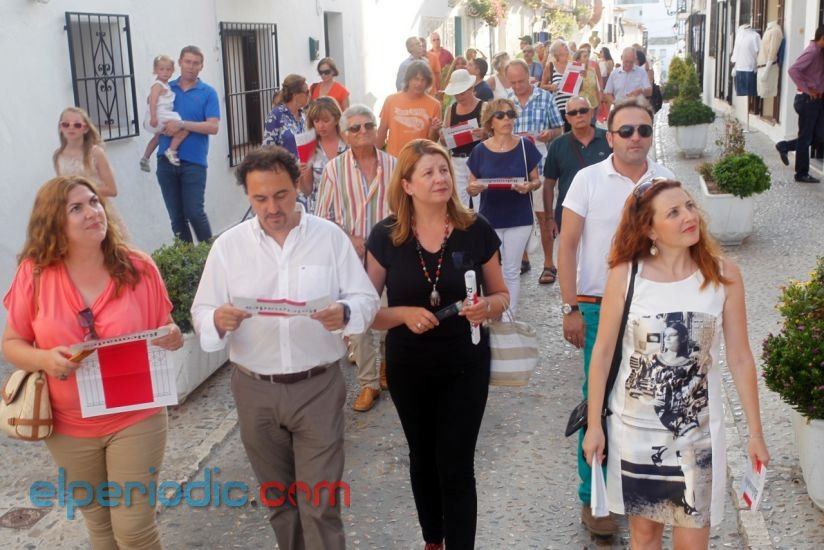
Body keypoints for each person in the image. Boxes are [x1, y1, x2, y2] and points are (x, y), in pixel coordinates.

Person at [191, 145, 379, 550]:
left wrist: (345, 311)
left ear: (298, 185)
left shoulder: (329, 238)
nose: (272, 208)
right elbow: (202, 311)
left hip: (318, 388)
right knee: (280, 504)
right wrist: (216, 320)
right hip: (254, 389)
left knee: (320, 505)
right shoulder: (229, 246)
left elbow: (365, 299)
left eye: (281, 195)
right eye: (260, 198)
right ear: (248, 196)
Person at [582, 178, 770, 547]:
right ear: (649, 230)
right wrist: (594, 427)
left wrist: (756, 433)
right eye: (673, 212)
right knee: (644, 536)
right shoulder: (626, 276)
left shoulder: (723, 275)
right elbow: (602, 354)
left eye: (689, 206)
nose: (689, 216)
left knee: (693, 540)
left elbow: (740, 357)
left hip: (698, 436)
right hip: (636, 432)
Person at [2, 175, 183, 549]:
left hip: (136, 416)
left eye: (94, 202)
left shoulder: (138, 267)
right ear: (54, 221)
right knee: (100, 526)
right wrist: (44, 358)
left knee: (134, 530)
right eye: (76, 208)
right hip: (69, 425)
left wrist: (173, 335)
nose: (92, 212)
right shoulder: (35, 274)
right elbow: (12, 344)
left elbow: (165, 327)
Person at [365, 139, 509, 550]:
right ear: (407, 185)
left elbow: (501, 295)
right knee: (422, 457)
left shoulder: (475, 230)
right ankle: (433, 540)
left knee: (457, 463)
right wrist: (403, 314)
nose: (440, 178)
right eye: (427, 172)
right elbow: (367, 311)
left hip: (466, 364)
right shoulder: (386, 236)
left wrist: (487, 307)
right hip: (409, 367)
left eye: (443, 170)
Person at [557, 96, 673, 536]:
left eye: (644, 130)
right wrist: (570, 306)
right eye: (626, 131)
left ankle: (643, 490)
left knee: (649, 401)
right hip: (596, 304)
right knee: (599, 400)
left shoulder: (666, 180)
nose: (635, 138)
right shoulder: (587, 180)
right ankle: (595, 498)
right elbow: (567, 245)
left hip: (652, 308)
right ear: (611, 137)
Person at [315, 104, 396, 412]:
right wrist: (349, 239)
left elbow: (405, 209)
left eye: (368, 125)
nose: (363, 131)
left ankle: (387, 365)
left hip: (389, 255)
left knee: (388, 314)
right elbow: (322, 218)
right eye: (355, 128)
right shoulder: (334, 170)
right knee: (357, 319)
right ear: (345, 135)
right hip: (352, 259)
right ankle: (368, 383)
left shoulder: (393, 164)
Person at [466, 99, 542, 315]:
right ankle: (494, 313)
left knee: (511, 270)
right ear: (490, 122)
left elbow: (536, 180)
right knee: (493, 272)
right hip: (490, 219)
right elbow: (471, 187)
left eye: (510, 114)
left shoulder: (525, 146)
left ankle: (509, 319)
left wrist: (529, 186)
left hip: (519, 216)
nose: (507, 119)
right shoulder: (479, 151)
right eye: (500, 115)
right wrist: (475, 188)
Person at [542, 96, 612, 284]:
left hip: (605, 211)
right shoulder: (558, 145)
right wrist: (549, 218)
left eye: (583, 110)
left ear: (591, 112)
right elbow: (549, 183)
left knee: (606, 260)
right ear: (567, 118)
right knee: (574, 261)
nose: (579, 115)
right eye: (573, 113)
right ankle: (577, 298)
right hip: (570, 214)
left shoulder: (609, 139)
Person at [155, 45, 220, 243]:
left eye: (196, 63)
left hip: (194, 162)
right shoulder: (166, 88)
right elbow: (153, 114)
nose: (191, 66)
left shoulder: (208, 93)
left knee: (194, 213)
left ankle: (210, 255)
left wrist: (182, 124)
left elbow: (213, 127)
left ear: (201, 66)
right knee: (176, 218)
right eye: (188, 62)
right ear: (180, 62)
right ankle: (188, 259)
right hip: (165, 160)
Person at [506, 59, 563, 277]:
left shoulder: (545, 97)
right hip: (513, 167)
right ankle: (523, 259)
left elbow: (559, 128)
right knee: (517, 217)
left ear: (529, 77)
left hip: (540, 166)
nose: (517, 86)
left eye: (521, 81)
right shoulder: (506, 101)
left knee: (545, 215)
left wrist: (550, 134)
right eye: (513, 82)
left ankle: (549, 264)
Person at [775, 25, 824, 184]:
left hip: (817, 100)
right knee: (806, 137)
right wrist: (807, 89)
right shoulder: (813, 51)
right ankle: (801, 173)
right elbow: (793, 70)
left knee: (818, 136)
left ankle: (784, 146)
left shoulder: (820, 52)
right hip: (807, 100)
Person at [378, 61, 442, 158]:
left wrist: (434, 130)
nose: (419, 83)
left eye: (423, 80)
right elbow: (382, 131)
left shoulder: (435, 105)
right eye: (416, 79)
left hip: (420, 160)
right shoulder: (391, 100)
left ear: (427, 82)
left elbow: (432, 142)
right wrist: (376, 156)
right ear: (408, 79)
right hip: (394, 159)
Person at [441, 69, 486, 208]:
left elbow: (494, 135)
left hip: (478, 159)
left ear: (471, 88)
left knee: (480, 202)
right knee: (460, 204)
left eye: (462, 93)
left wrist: (485, 133)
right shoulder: (451, 109)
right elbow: (444, 141)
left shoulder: (484, 106)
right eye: (456, 94)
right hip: (457, 161)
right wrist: (441, 134)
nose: (460, 97)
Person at [54, 107, 118, 198]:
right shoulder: (58, 155)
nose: (71, 127)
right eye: (66, 124)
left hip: (96, 203)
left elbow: (112, 190)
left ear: (85, 128)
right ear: (60, 127)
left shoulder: (96, 153)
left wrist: (80, 192)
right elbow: (61, 186)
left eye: (77, 125)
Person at [140, 55, 188, 171]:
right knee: (183, 128)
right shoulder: (157, 85)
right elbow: (152, 101)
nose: (165, 72)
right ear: (155, 70)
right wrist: (153, 117)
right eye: (161, 69)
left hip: (160, 115)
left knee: (157, 137)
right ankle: (171, 150)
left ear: (172, 70)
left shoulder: (166, 85)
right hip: (159, 115)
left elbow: (149, 99)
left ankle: (145, 158)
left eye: (168, 69)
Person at [300, 97, 347, 213]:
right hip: (320, 211)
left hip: (348, 209)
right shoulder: (309, 148)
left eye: (326, 121)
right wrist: (299, 176)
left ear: (336, 119)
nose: (321, 126)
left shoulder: (348, 143)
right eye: (316, 121)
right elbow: (307, 190)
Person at [263, 74, 310, 158]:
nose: (309, 95)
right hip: (285, 165)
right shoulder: (276, 115)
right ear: (296, 95)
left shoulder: (303, 114)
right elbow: (267, 148)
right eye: (307, 92)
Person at [540, 40, 573, 132]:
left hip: (573, 107)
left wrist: (581, 77)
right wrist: (551, 87)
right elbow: (542, 85)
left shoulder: (573, 65)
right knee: (562, 135)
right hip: (559, 108)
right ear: (556, 51)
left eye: (565, 44)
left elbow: (579, 88)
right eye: (563, 45)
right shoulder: (550, 66)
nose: (566, 46)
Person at [572, 48, 602, 125]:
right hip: (581, 107)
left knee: (592, 128)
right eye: (585, 56)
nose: (587, 58)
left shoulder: (592, 70)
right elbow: (574, 90)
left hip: (593, 105)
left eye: (588, 56)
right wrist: (581, 77)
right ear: (578, 60)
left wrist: (599, 104)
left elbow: (596, 88)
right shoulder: (574, 71)